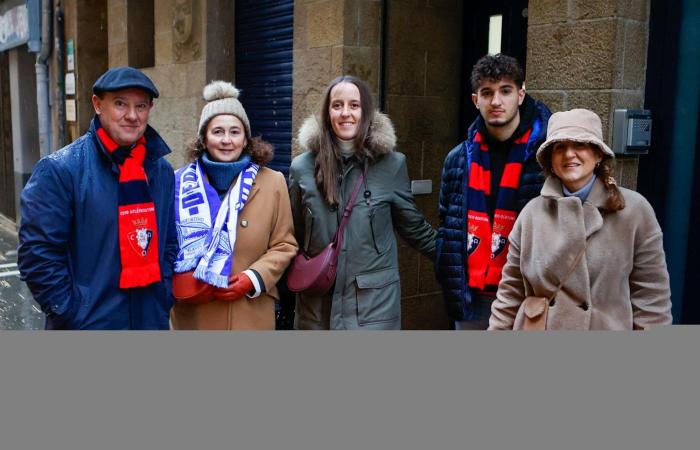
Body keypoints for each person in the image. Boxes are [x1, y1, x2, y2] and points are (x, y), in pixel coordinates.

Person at [18, 67, 177, 329]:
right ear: (97, 104)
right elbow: (38, 255)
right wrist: (71, 312)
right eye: (120, 104)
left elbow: (169, 242)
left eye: (141, 106)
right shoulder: (59, 170)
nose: (132, 116)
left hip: (150, 320)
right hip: (88, 324)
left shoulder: (161, 171)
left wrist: (164, 293)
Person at [489, 108, 672, 330]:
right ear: (550, 160)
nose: (569, 154)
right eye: (560, 147)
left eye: (579, 145)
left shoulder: (634, 211)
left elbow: (652, 299)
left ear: (598, 155)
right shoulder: (531, 214)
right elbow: (510, 293)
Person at [288, 75, 437, 330]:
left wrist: (456, 256)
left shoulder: (391, 164)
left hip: (373, 310)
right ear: (327, 113)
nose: (346, 113)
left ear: (365, 111)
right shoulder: (302, 168)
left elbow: (414, 227)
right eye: (337, 105)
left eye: (354, 105)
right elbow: (292, 234)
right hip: (316, 309)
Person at [435, 53, 552, 329]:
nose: (496, 101)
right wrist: (445, 263)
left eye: (505, 91)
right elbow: (446, 221)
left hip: (528, 296)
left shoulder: (544, 155)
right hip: (471, 297)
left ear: (521, 95)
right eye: (487, 93)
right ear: (476, 100)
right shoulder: (458, 157)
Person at [170, 81, 297, 330]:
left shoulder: (273, 182)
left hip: (250, 313)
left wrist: (252, 278)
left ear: (246, 139)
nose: (226, 140)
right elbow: (167, 246)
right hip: (194, 313)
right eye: (217, 132)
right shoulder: (178, 183)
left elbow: (285, 244)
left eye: (235, 132)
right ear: (204, 139)